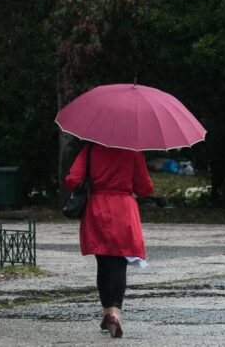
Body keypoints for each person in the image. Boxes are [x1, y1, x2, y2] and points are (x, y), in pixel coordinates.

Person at [64, 142, 154, 338]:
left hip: (97, 208)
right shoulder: (133, 151)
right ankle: (114, 315)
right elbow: (145, 188)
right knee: (119, 263)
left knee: (103, 263)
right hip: (123, 210)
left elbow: (72, 179)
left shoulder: (90, 150)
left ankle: (107, 313)